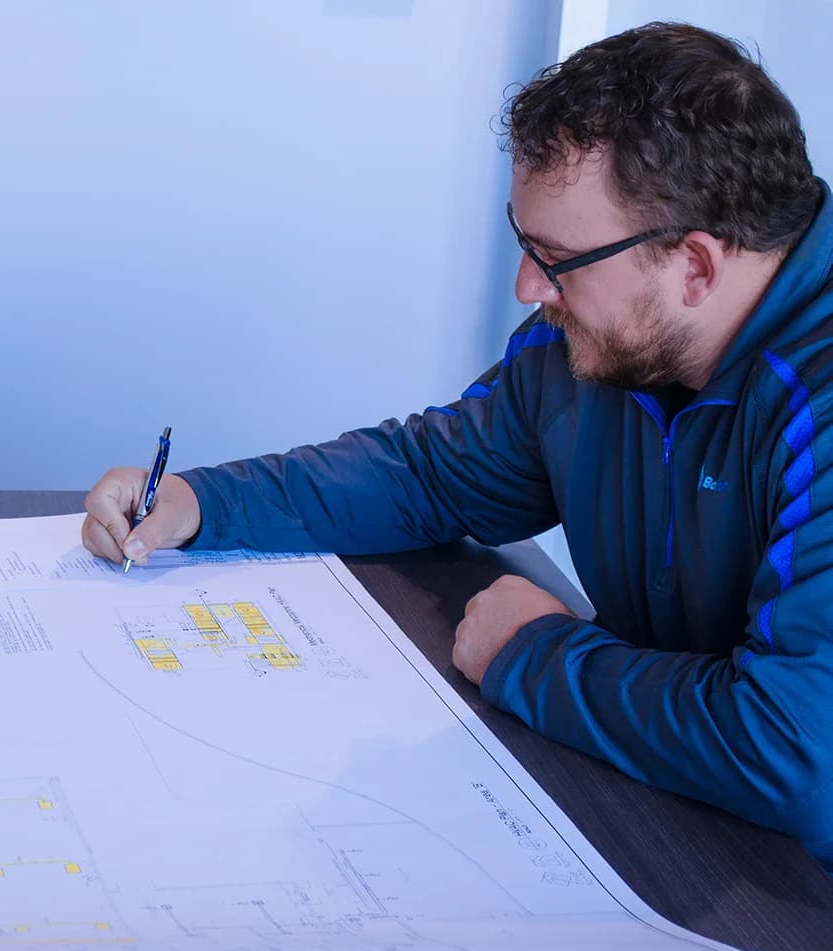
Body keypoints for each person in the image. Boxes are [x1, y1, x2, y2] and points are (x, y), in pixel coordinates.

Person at [81, 22, 833, 869]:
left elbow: (801, 753)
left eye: (556, 260)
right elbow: (427, 472)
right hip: (683, 831)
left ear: (694, 266)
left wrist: (534, 654)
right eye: (525, 243)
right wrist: (205, 503)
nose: (527, 287)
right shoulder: (595, 346)